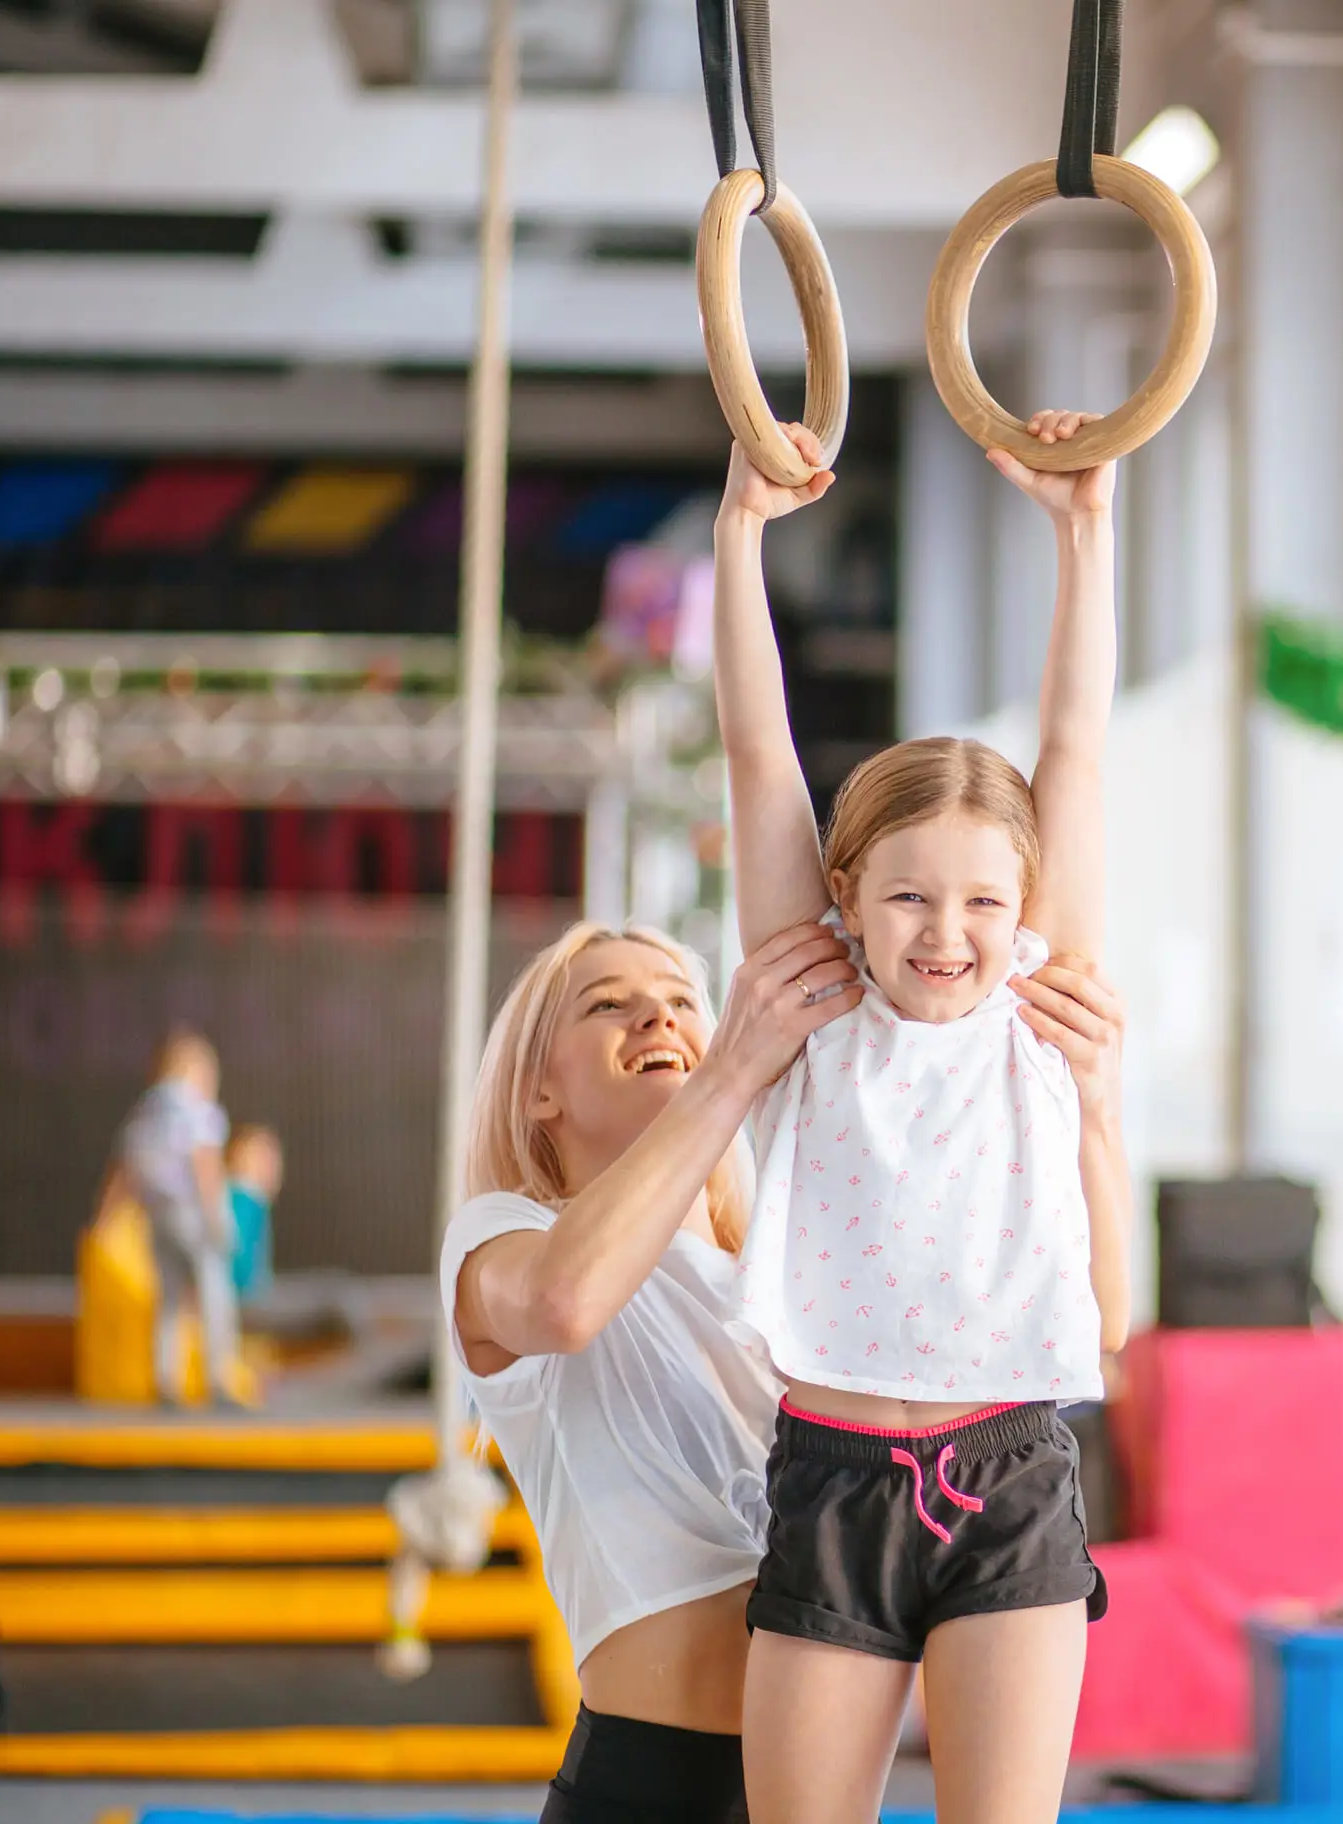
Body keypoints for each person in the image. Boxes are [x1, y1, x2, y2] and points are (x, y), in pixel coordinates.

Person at [443, 913, 1126, 1824]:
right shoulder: (501, 1236)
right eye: (610, 1007)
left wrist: (1091, 1104)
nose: (658, 1020)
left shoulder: (783, 1288)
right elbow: (564, 1304)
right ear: (539, 1093)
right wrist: (728, 1070)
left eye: (683, 1002)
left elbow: (1078, 1308)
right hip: (653, 1787)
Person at [714, 414, 1132, 1824]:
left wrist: (1085, 530)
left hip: (1006, 1475)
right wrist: (739, 535)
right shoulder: (817, 1000)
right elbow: (760, 757)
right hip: (831, 1480)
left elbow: (1076, 744)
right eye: (906, 897)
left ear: (1021, 913)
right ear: (844, 897)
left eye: (980, 903)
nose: (946, 934)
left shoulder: (1033, 1002)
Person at [112, 1027, 239, 1407]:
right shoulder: (197, 1109)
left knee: (168, 1300)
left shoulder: (146, 1111)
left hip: (156, 1214)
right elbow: (205, 1163)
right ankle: (218, 1380)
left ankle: (166, 1381)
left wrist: (107, 1215)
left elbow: (124, 1166)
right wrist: (217, 1215)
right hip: (191, 1213)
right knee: (214, 1291)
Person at [225, 1123, 284, 1305]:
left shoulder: (250, 1200)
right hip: (245, 1301)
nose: (271, 1165)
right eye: (261, 1156)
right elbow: (238, 1268)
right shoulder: (244, 1197)